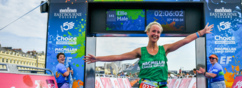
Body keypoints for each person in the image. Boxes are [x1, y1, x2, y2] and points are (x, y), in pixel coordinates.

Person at [84, 21, 213, 88]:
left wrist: (201, 33)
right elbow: (119, 57)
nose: (155, 34)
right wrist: (97, 58)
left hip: (162, 85)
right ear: (147, 32)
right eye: (153, 31)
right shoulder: (140, 51)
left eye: (158, 32)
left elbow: (184, 41)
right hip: (146, 86)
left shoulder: (165, 49)